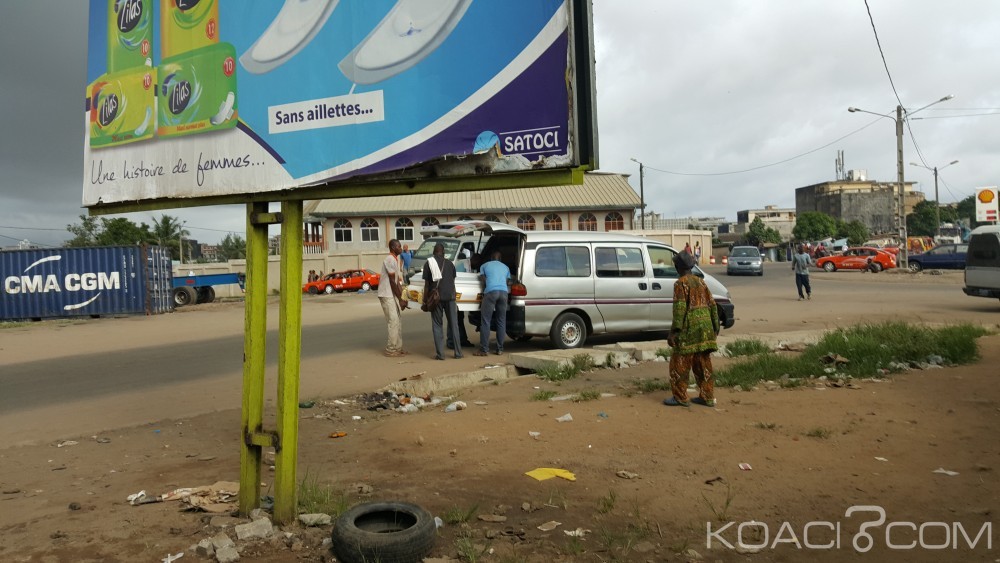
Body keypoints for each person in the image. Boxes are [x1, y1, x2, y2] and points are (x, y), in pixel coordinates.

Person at [664, 251, 720, 407]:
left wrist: (674, 332)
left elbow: (680, 309)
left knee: (679, 363)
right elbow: (712, 304)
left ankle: (680, 397)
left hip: (689, 329)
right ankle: (707, 396)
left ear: (677, 267)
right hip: (705, 329)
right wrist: (715, 326)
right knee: (703, 363)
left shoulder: (680, 283)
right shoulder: (701, 282)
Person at [424, 243, 463, 360]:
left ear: (433, 252)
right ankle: (458, 353)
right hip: (450, 297)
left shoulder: (429, 263)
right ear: (444, 252)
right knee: (454, 325)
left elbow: (427, 285)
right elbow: (452, 281)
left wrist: (425, 301)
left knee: (437, 325)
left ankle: (440, 355)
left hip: (436, 298)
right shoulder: (450, 264)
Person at [474, 251, 510, 356]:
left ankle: (484, 350)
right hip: (504, 293)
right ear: (500, 259)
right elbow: (507, 282)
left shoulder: (484, 266)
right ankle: (500, 349)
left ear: (491, 258)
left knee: (486, 321)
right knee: (501, 321)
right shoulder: (506, 267)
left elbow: (483, 281)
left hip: (491, 292)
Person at [378, 239, 407, 357]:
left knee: (397, 320)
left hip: (391, 294)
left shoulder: (395, 259)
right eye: (399, 246)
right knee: (393, 321)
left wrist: (403, 297)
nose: (401, 248)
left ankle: (398, 348)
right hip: (386, 294)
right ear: (393, 248)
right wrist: (400, 299)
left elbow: (397, 282)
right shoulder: (390, 259)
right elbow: (391, 281)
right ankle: (390, 349)